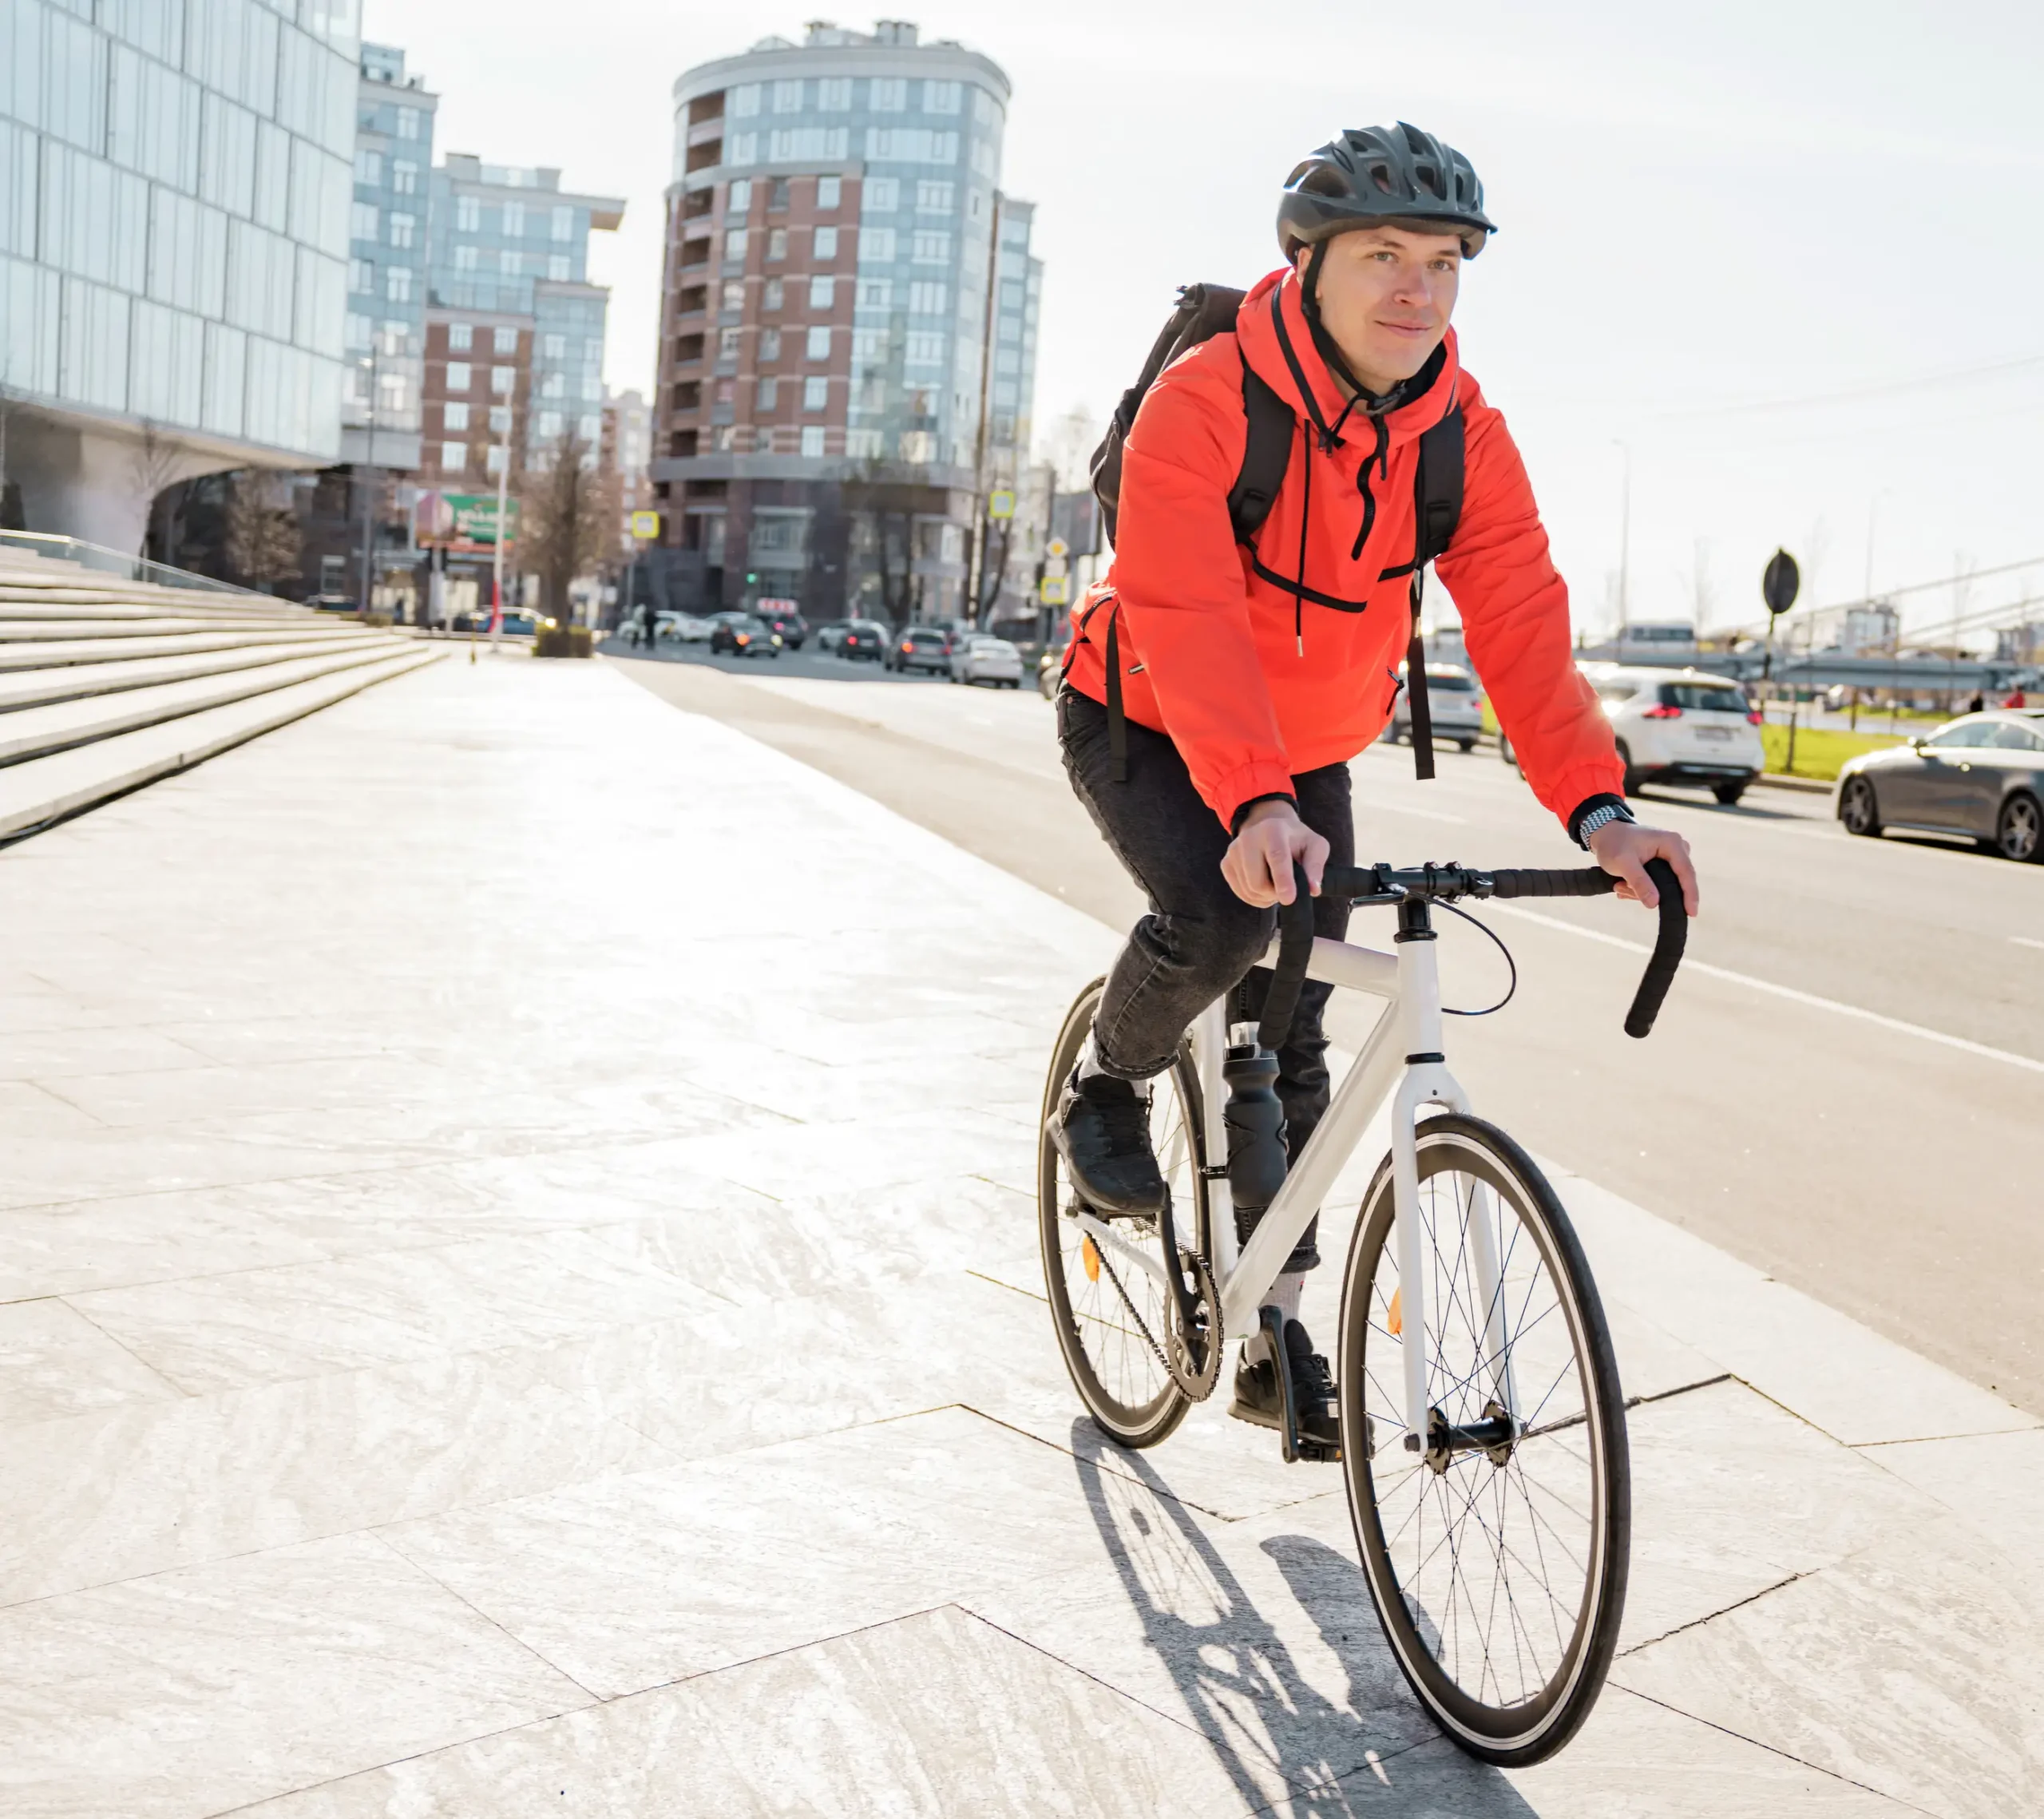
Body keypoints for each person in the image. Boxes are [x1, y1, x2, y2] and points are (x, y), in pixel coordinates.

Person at [1050, 122, 1698, 1456]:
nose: (1418, 288)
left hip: (1298, 749)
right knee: (1227, 926)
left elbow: (1519, 615)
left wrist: (1599, 807)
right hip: (1146, 712)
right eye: (1385, 256)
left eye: (1445, 262)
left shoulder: (1461, 432)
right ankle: (1106, 1089)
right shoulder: (1210, 401)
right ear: (1310, 261)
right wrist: (1250, 801)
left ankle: (1270, 1327)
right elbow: (1182, 604)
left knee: (1296, 1026)